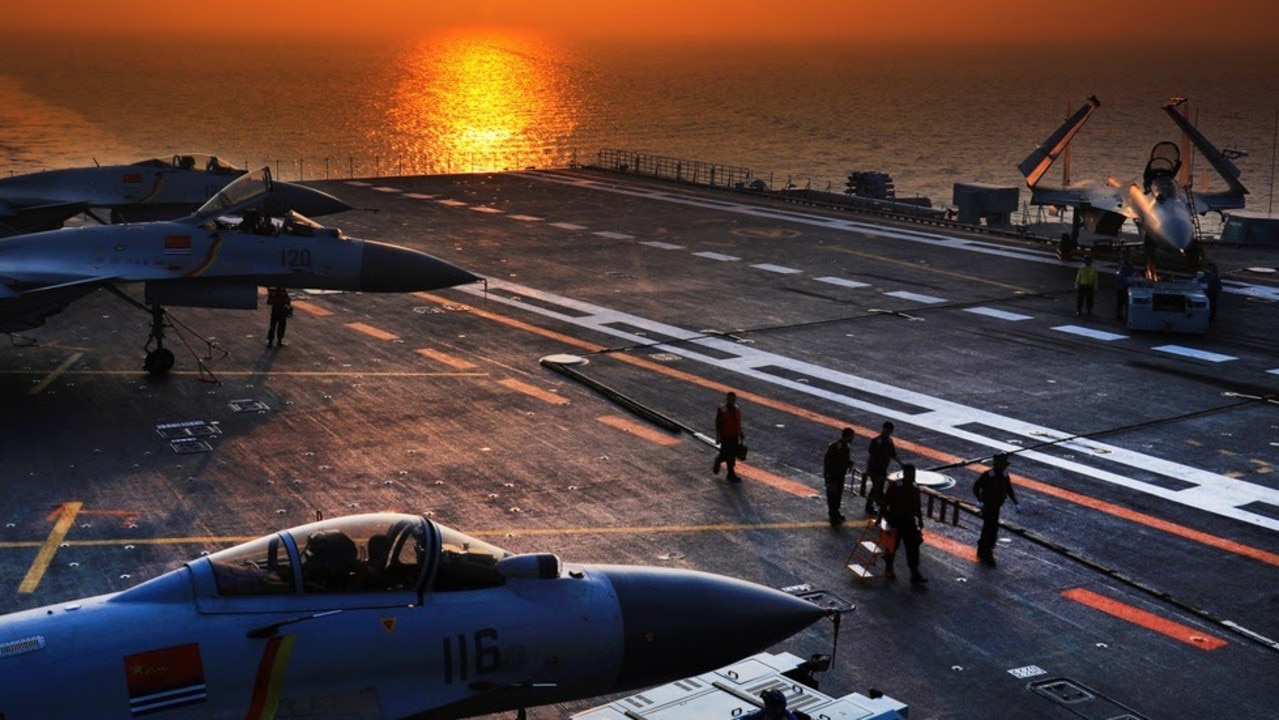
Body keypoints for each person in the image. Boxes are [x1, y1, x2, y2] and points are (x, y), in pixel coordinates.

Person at [881, 464, 927, 583]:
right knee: (892, 546)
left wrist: (920, 520)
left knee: (913, 546)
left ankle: (914, 572)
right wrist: (881, 517)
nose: (911, 476)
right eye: (909, 473)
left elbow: (917, 505)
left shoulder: (914, 486)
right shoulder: (896, 485)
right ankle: (889, 568)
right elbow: (885, 501)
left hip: (908, 520)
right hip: (895, 519)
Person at [973, 453, 1020, 566]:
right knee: (989, 529)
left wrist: (1016, 502)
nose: (1004, 467)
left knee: (991, 529)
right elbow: (976, 487)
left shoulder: (1004, 475)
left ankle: (984, 550)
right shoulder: (988, 475)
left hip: (997, 505)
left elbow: (1008, 489)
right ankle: (986, 552)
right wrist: (980, 500)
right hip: (988, 505)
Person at [864, 421, 900, 515]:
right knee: (876, 487)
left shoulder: (889, 441)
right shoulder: (877, 441)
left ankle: (876, 503)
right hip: (875, 468)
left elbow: (893, 454)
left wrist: (901, 463)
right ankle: (873, 504)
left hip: (882, 468)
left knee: (878, 487)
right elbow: (872, 455)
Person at [823, 428, 856, 527]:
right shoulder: (835, 446)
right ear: (847, 436)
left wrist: (849, 462)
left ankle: (836, 512)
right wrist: (828, 476)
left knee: (838, 495)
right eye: (851, 436)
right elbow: (827, 461)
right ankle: (833, 516)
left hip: (840, 475)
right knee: (832, 496)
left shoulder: (846, 446)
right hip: (833, 475)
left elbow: (846, 458)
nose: (853, 438)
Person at [713, 391, 745, 483]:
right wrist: (718, 436)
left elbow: (738, 423)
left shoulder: (737, 409)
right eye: (729, 399)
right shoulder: (722, 410)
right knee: (726, 454)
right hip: (725, 436)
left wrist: (740, 433)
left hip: (734, 436)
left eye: (732, 399)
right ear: (727, 399)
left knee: (731, 455)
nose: (731, 400)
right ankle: (721, 463)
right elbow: (718, 424)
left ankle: (730, 473)